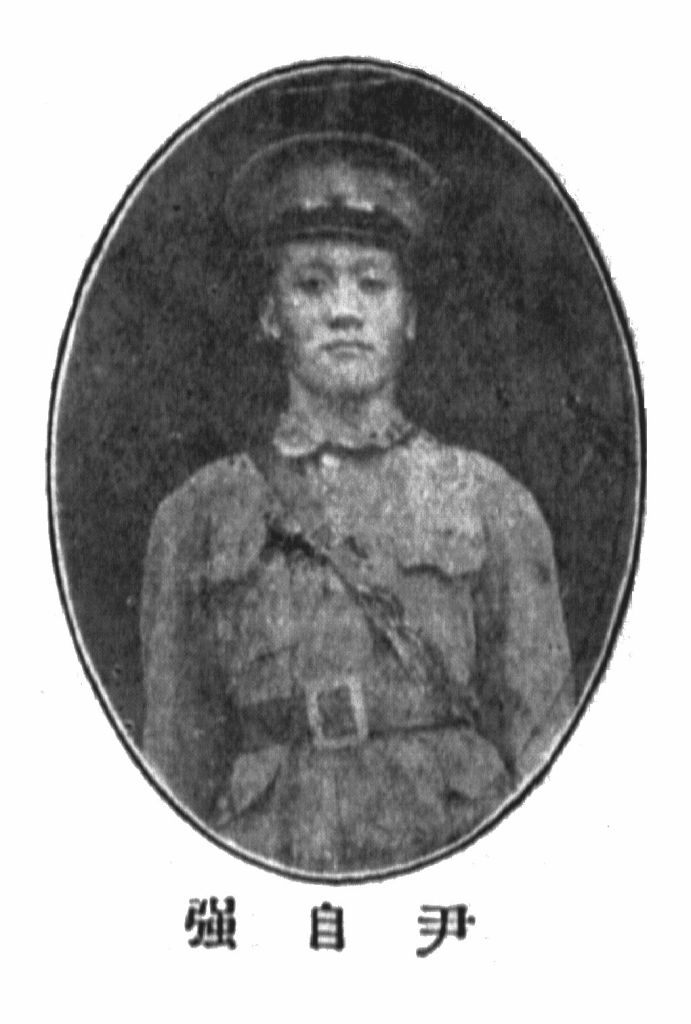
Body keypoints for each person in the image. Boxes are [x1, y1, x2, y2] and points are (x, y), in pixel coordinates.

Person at [140, 132, 573, 874]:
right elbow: (171, 776)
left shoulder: (489, 503)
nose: (344, 310)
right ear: (270, 314)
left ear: (409, 316)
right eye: (311, 285)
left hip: (447, 848)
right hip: (271, 856)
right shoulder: (198, 516)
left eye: (372, 284)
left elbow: (545, 758)